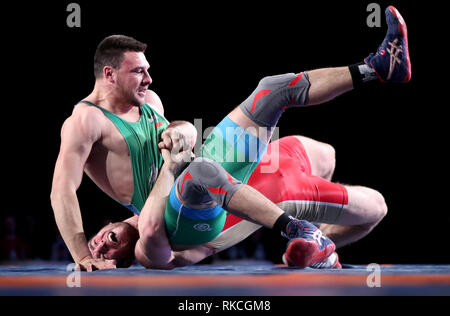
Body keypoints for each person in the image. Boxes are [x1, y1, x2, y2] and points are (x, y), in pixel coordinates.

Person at [53, 6, 411, 270]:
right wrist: (84, 256)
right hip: (175, 210)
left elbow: (180, 134)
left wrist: (182, 130)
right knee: (199, 172)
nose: (148, 80)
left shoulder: (149, 101)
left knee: (272, 89)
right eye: (139, 72)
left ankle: (377, 68)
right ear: (110, 74)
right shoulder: (84, 122)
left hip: (199, 166)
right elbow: (62, 191)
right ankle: (302, 231)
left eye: (148, 71)